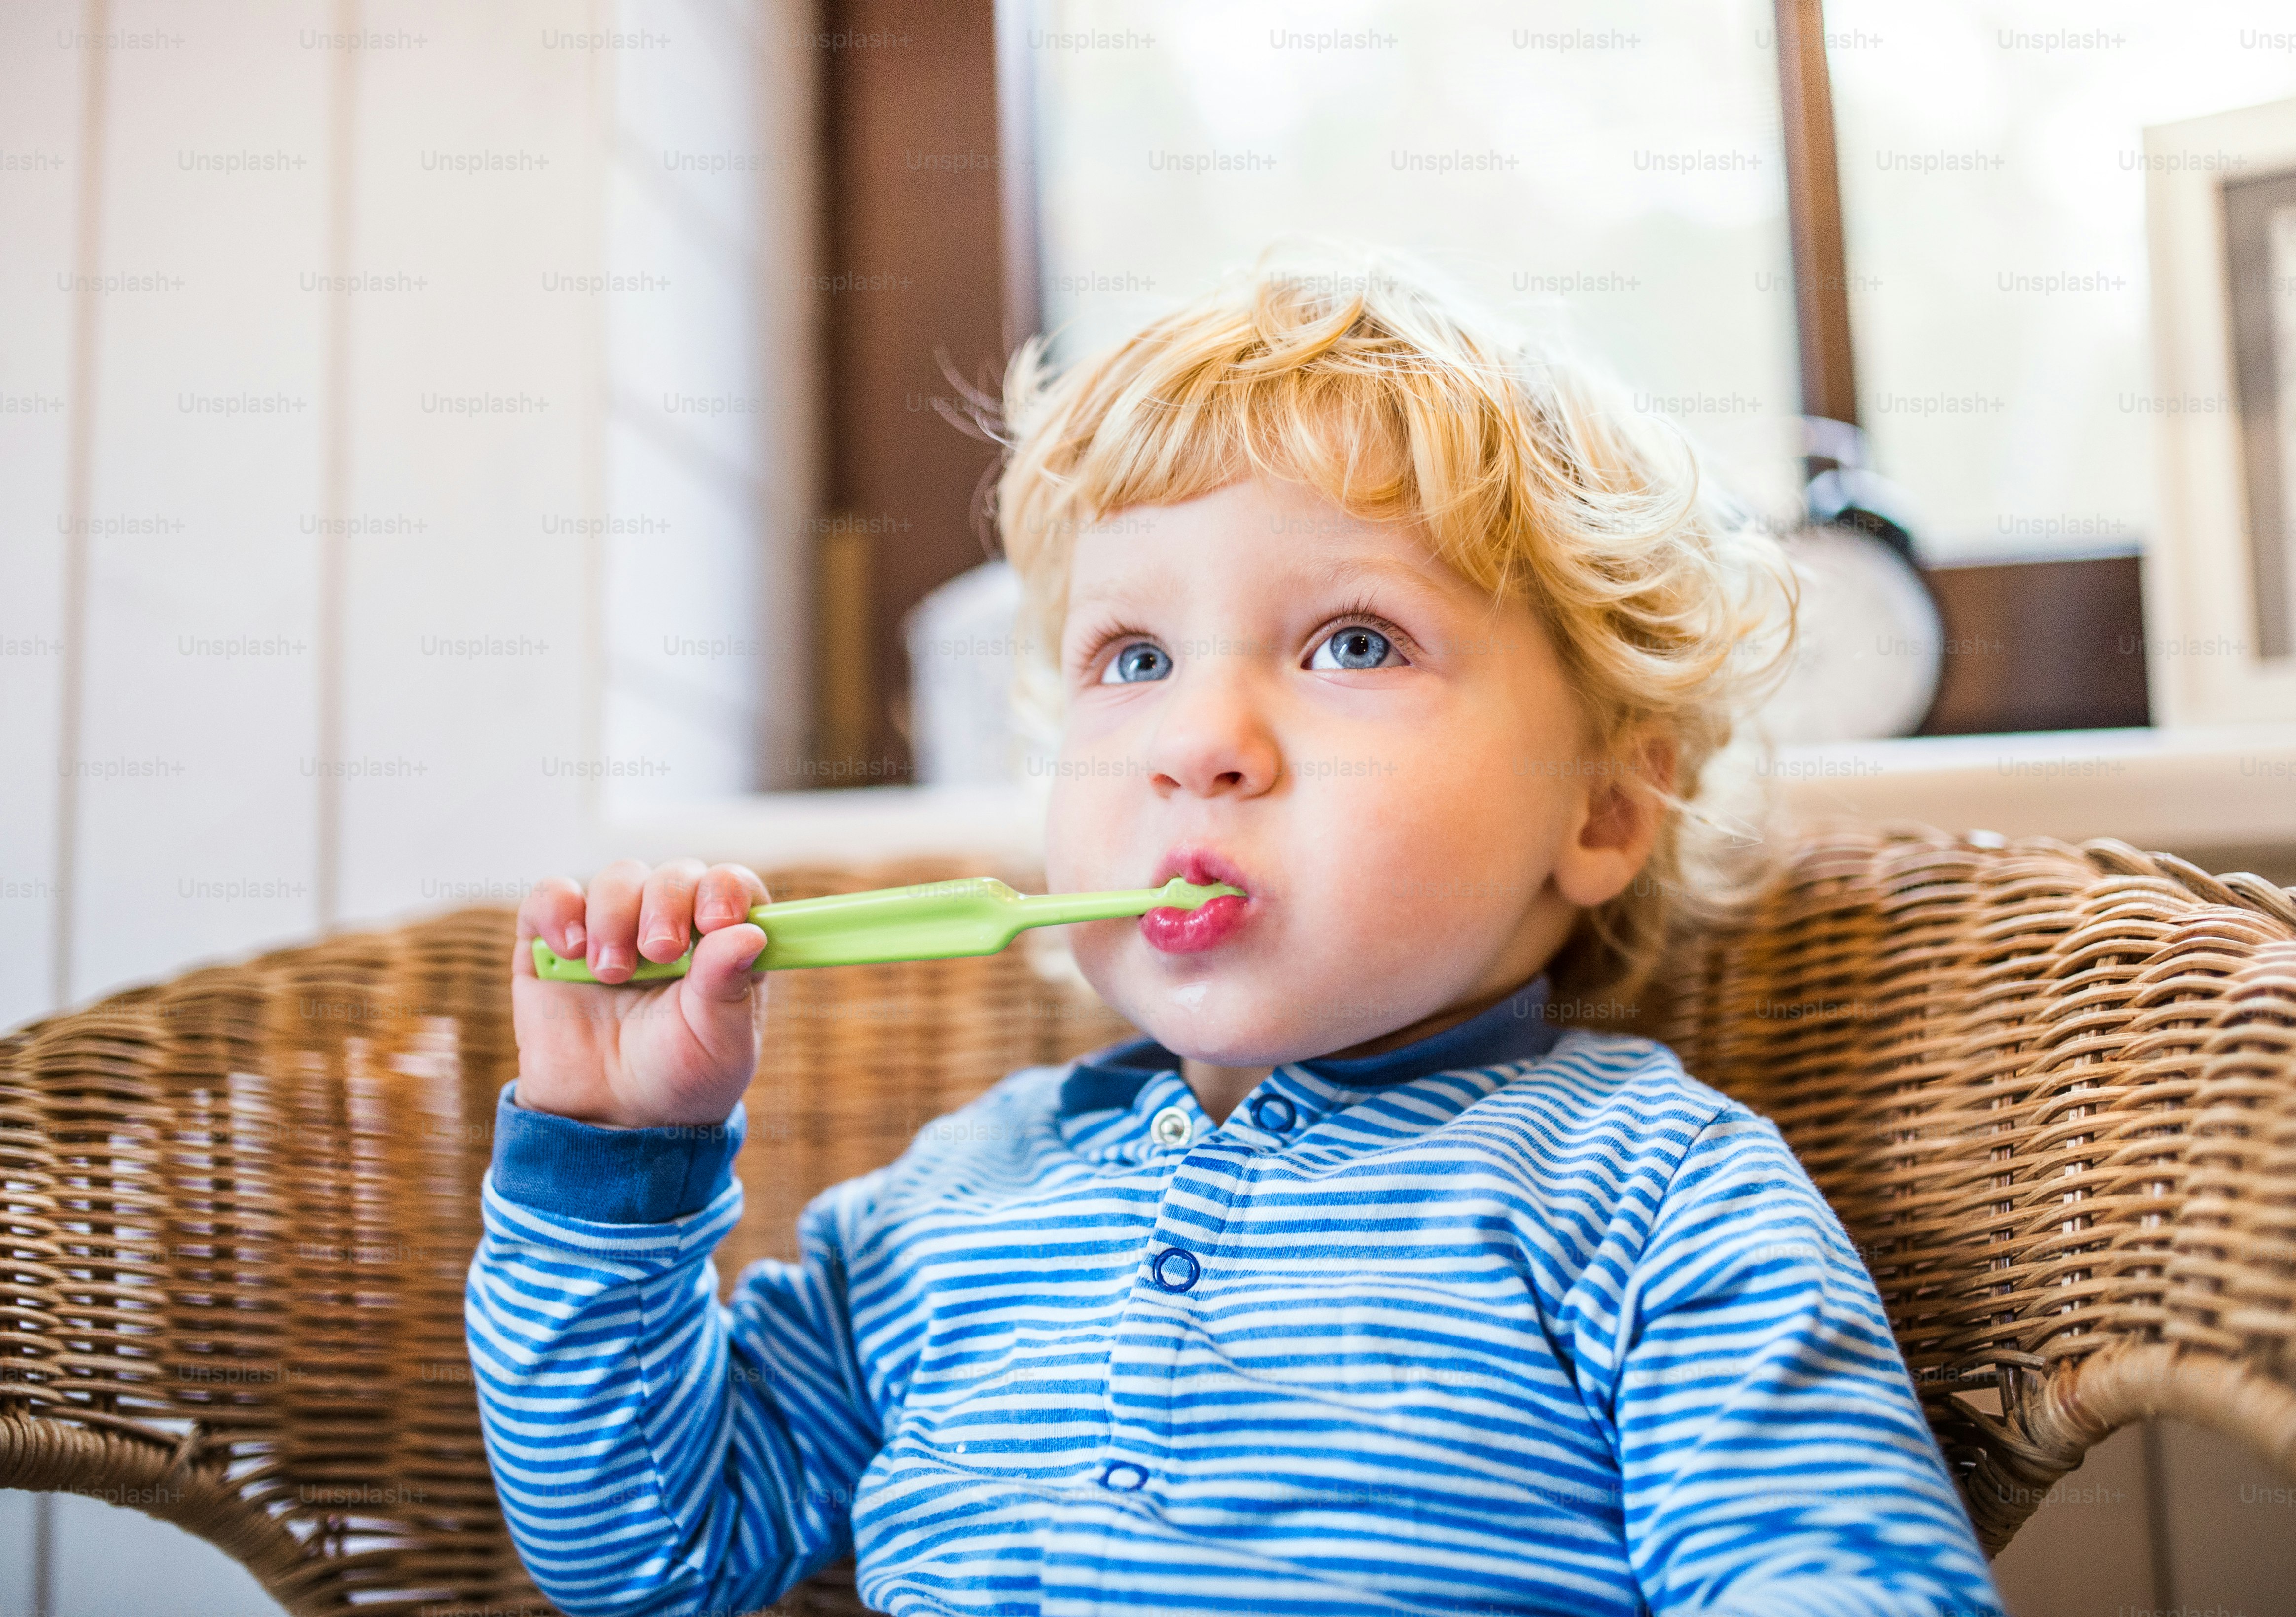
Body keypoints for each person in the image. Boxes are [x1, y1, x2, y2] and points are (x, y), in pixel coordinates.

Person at [468, 251, 2007, 1617]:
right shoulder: (946, 1206)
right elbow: (649, 1556)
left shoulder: (1654, 1198)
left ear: (1603, 812)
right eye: (1132, 655)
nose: (1198, 739)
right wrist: (612, 1162)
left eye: (1352, 643)